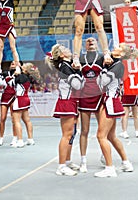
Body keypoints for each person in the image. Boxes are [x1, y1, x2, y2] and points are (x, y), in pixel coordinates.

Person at [94, 43, 138, 177]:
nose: (114, 47)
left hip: (110, 101)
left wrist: (103, 67)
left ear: (122, 53)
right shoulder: (113, 63)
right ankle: (126, 163)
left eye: (118, 47)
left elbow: (102, 82)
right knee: (111, 136)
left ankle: (110, 168)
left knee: (101, 136)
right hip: (109, 100)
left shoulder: (118, 65)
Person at [46, 44, 85, 176]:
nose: (68, 49)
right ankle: (61, 166)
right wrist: (79, 70)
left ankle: (67, 161)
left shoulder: (68, 66)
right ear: (62, 55)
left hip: (72, 101)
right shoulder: (65, 67)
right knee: (67, 134)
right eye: (64, 49)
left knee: (72, 134)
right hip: (67, 102)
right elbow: (78, 85)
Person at [78, 37, 104, 173]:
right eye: (87, 41)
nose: (90, 41)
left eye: (93, 40)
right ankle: (83, 161)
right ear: (85, 45)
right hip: (84, 97)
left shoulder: (103, 58)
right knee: (84, 131)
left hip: (99, 97)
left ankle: (105, 156)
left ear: (97, 44)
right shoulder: (80, 59)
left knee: (102, 131)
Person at [120, 0, 138, 139]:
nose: (127, 4)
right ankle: (124, 131)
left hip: (133, 86)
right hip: (126, 87)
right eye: (126, 2)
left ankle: (137, 130)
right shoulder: (123, 61)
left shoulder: (133, 12)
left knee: (135, 111)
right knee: (125, 112)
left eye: (129, 2)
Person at [12, 63, 40, 148]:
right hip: (26, 99)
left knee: (16, 121)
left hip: (20, 99)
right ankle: (30, 139)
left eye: (23, 66)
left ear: (25, 70)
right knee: (27, 120)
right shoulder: (29, 77)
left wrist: (14, 75)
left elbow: (9, 83)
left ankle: (20, 141)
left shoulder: (21, 77)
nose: (21, 66)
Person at [0, 61, 17, 146]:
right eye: (12, 63)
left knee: (14, 119)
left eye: (15, 63)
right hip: (5, 97)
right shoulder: (5, 73)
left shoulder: (19, 74)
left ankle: (15, 137)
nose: (13, 64)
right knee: (2, 118)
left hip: (14, 97)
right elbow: (0, 83)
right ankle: (1, 138)